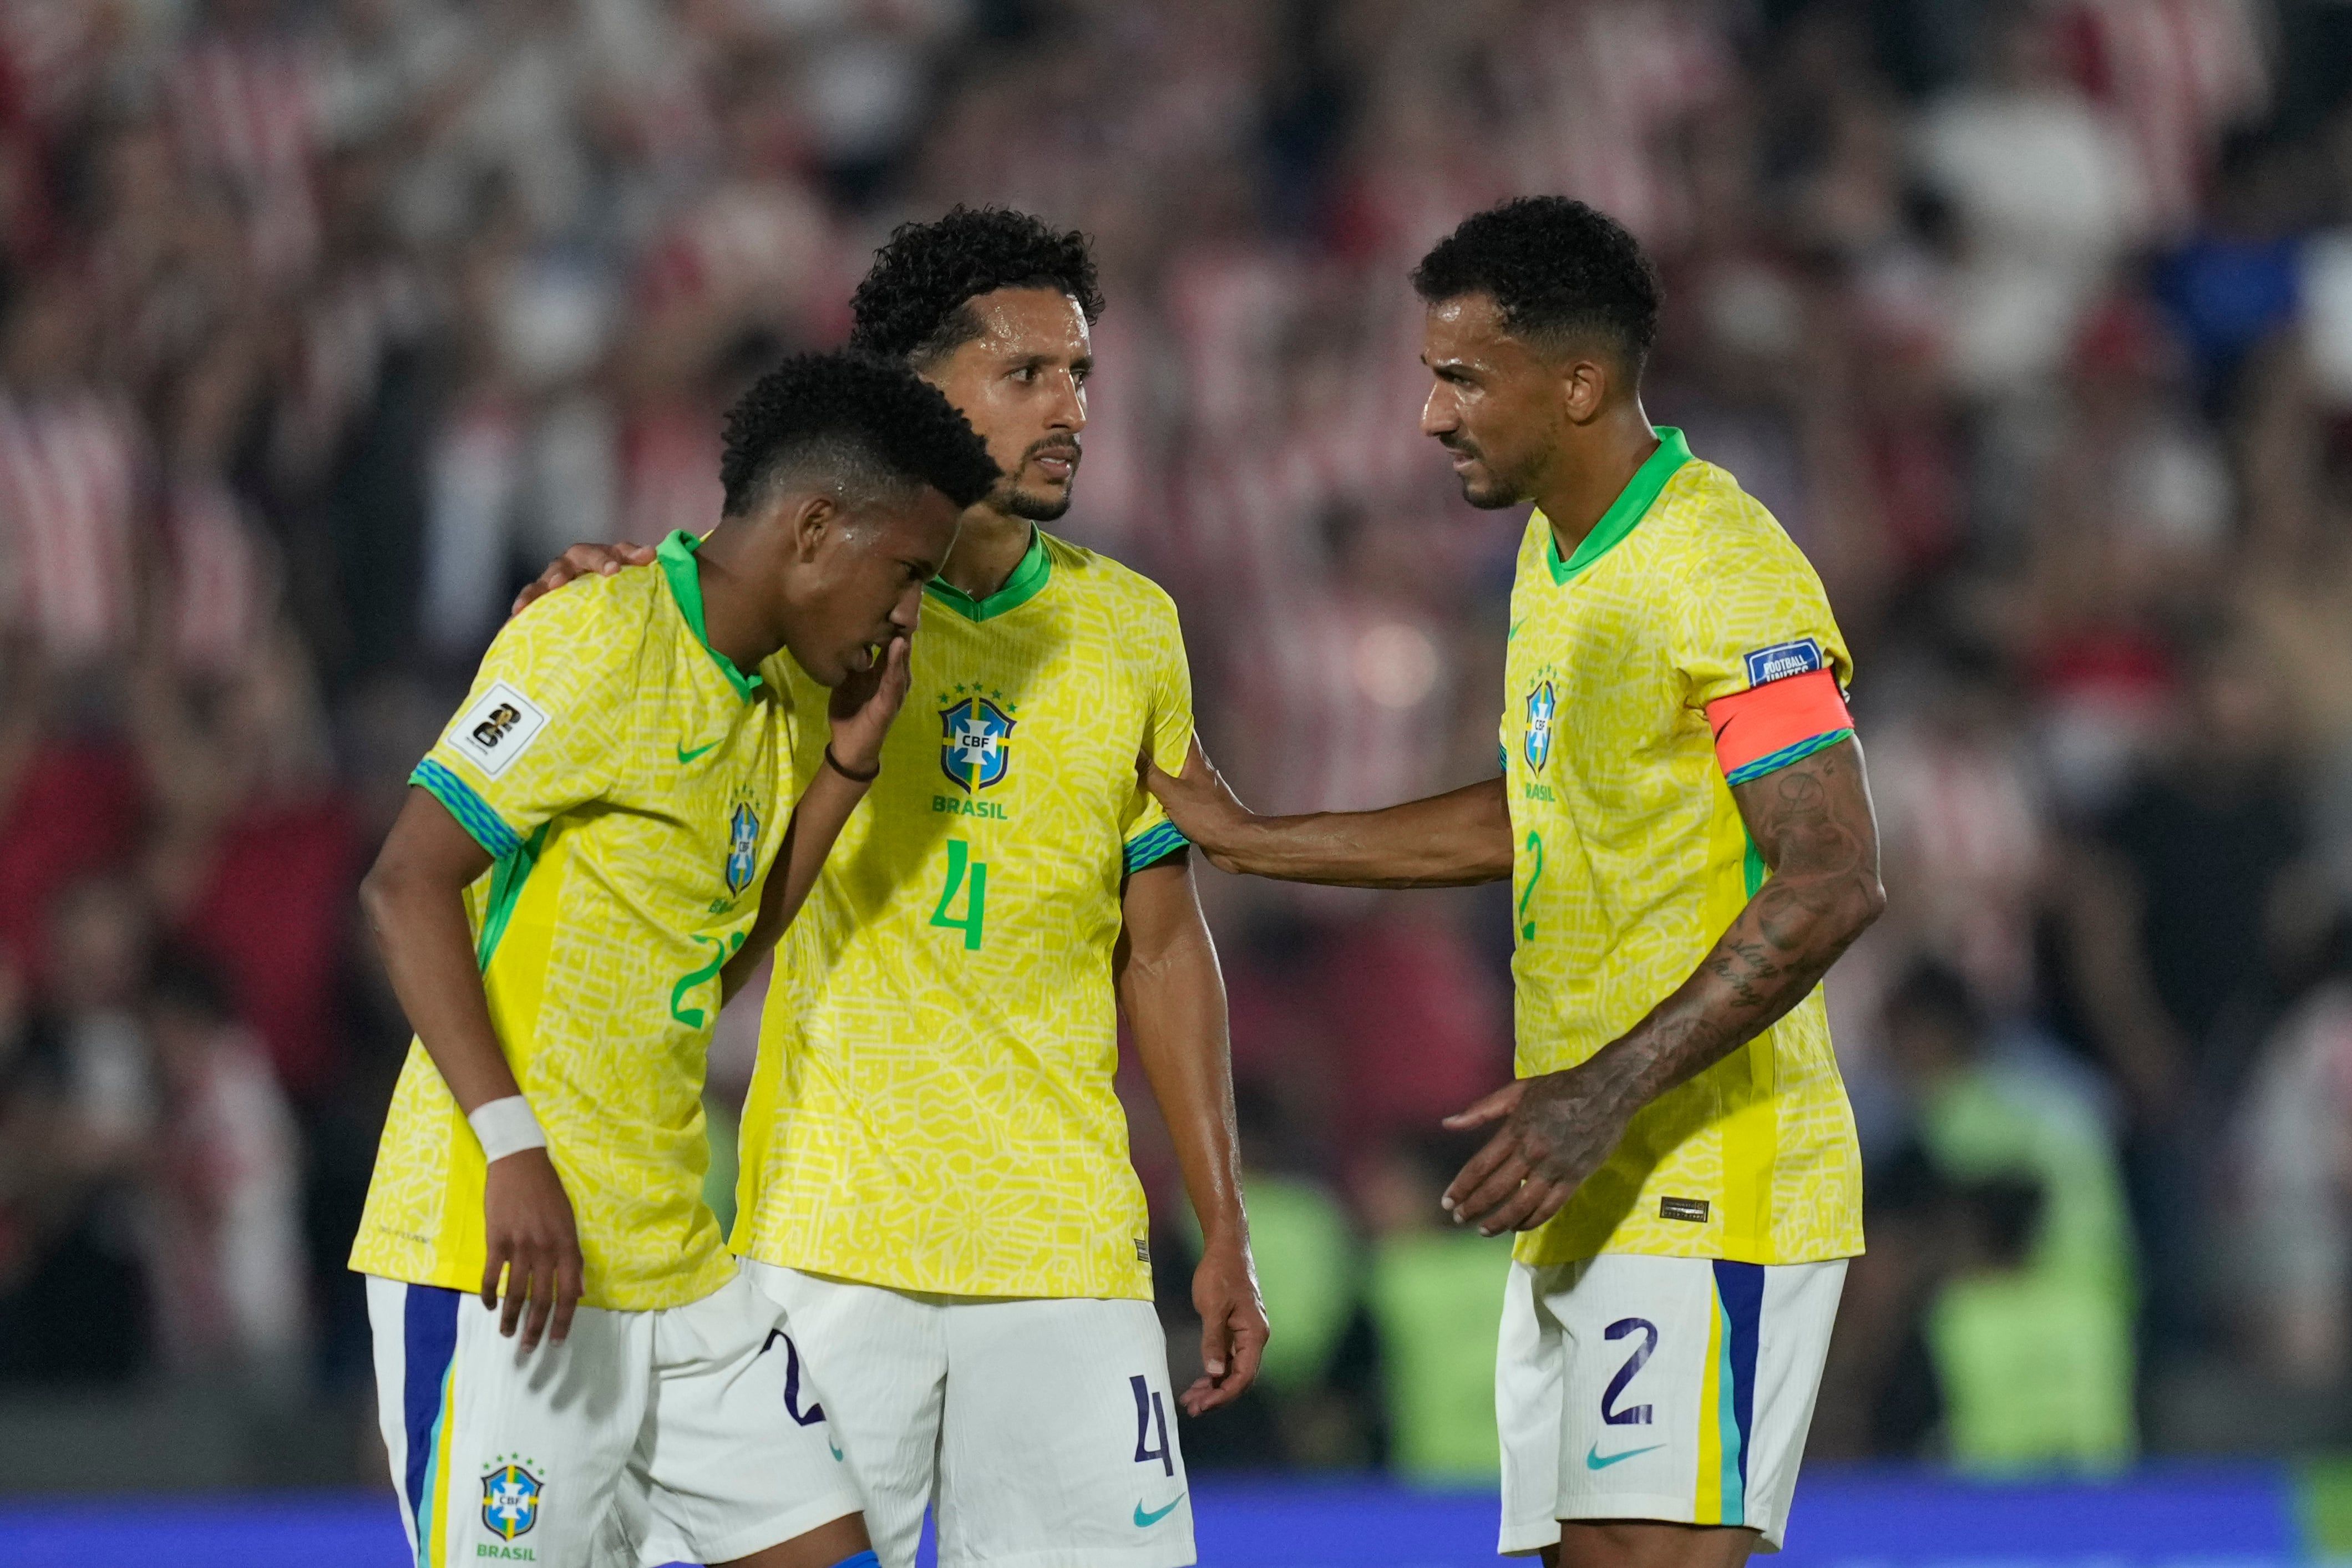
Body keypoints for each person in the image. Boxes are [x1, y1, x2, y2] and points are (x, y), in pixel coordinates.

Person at [518, 207, 1265, 1568]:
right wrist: (592, 589)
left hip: (1066, 1252)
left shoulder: (1129, 628)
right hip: (826, 1234)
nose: (1070, 410)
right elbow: (665, 637)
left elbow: (1160, 946)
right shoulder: (807, 608)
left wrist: (1225, 1226)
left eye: (1082, 376)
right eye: (1025, 373)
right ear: (918, 391)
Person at [1144, 197, 1886, 1567]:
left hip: (1708, 1176)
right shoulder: (1554, 552)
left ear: (1580, 381)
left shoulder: (1715, 566)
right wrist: (1254, 838)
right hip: (1585, 1169)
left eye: (1461, 378)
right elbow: (1542, 815)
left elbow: (1833, 874)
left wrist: (1601, 1089)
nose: (1430, 417)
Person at [348, 351, 997, 1568]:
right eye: (905, 573)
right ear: (814, 529)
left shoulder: (788, 699)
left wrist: (847, 771)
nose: (905, 615)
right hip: (501, 1251)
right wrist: (512, 1149)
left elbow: (718, 951)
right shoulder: (596, 636)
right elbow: (404, 885)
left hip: (669, 1254)